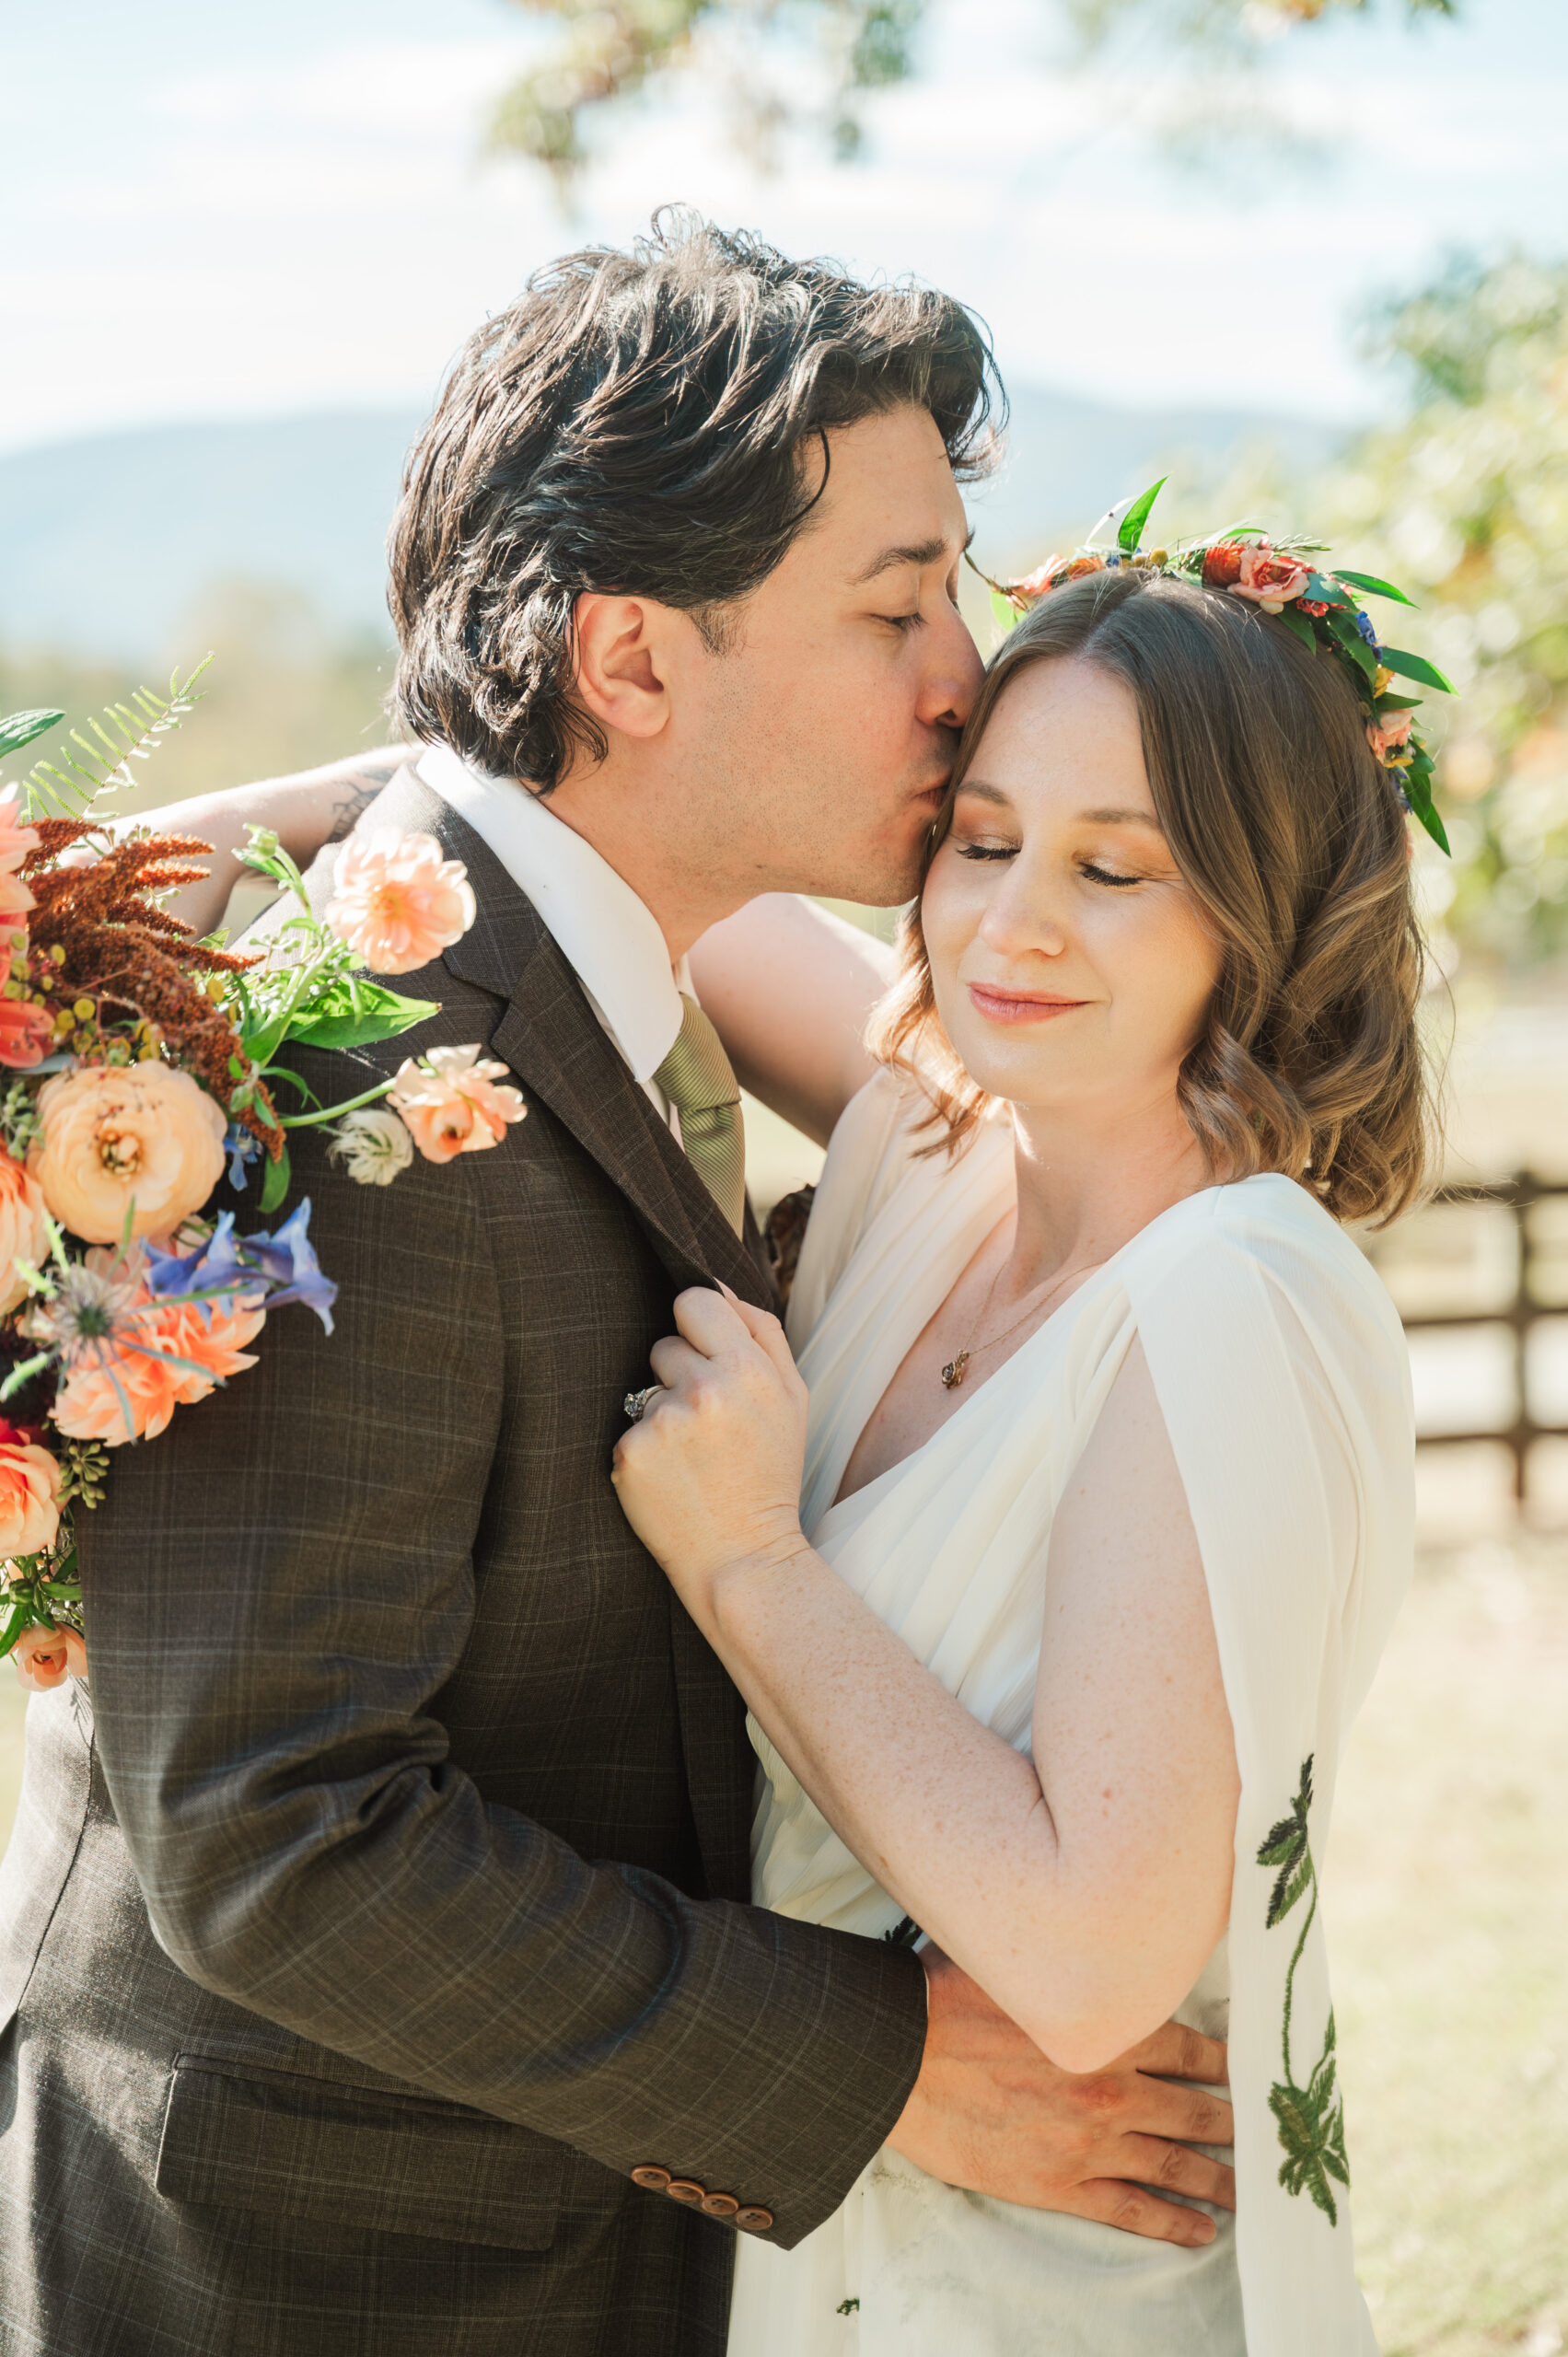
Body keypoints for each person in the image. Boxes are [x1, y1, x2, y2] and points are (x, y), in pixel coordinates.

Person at [0, 216, 1234, 2357]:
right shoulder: (355, 1093)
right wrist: (886, 2065)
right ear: (637, 663)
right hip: (307, 2270)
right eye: (898, 604)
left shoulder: (601, 957)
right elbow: (276, 1832)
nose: (968, 673)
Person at [609, 562, 1427, 2353]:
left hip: (1044, 2287)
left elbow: (1083, 1959)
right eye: (981, 841)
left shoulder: (1228, 1297)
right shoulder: (931, 1147)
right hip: (814, 2225)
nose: (1013, 925)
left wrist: (748, 1560)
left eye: (1113, 869)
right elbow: (603, 835)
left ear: (1270, 898)